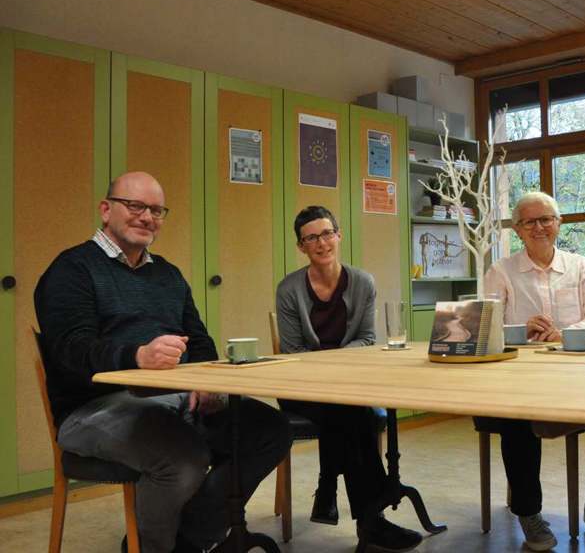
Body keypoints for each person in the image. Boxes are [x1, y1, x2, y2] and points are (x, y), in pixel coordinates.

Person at [34, 172, 291, 553]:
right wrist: (137, 356)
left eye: (156, 210)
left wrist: (206, 381)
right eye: (135, 206)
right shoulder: (72, 270)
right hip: (94, 408)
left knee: (268, 429)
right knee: (183, 457)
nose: (147, 217)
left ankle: (189, 538)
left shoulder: (167, 274)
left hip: (176, 398)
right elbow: (72, 349)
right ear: (106, 210)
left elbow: (200, 341)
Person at [275, 205, 422, 552]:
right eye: (311, 237)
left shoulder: (362, 282)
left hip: (347, 386)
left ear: (339, 235)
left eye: (327, 233)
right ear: (301, 246)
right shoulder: (289, 289)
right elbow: (294, 351)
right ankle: (372, 521)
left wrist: (335, 368)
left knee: (349, 410)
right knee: (357, 414)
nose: (321, 242)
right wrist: (332, 368)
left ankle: (330, 486)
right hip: (302, 389)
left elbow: (368, 339)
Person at [479, 191, 585, 551]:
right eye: (529, 221)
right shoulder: (501, 271)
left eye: (546, 219)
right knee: (516, 416)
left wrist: (564, 334)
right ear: (517, 229)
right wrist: (521, 328)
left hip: (576, 375)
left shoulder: (580, 266)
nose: (539, 227)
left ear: (559, 223)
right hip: (519, 379)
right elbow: (485, 326)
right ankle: (528, 511)